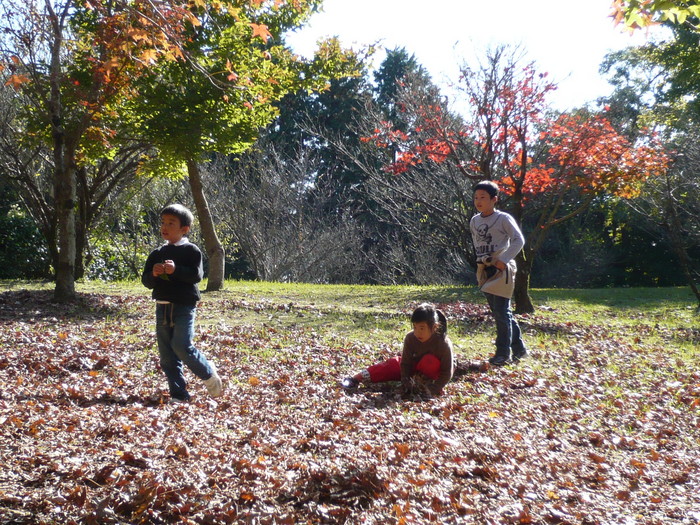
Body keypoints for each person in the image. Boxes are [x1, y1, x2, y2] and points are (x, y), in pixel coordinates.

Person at [142, 204, 222, 403]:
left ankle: (208, 374)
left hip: (183, 307)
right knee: (167, 356)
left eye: (171, 223)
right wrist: (154, 273)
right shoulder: (157, 253)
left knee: (181, 345)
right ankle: (179, 395)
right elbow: (146, 281)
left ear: (184, 229)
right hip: (162, 306)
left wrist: (175, 270)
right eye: (163, 222)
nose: (165, 227)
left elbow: (196, 275)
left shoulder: (191, 251)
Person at [470, 180, 528, 366]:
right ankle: (520, 349)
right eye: (476, 197)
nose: (479, 201)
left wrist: (503, 260)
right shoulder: (474, 220)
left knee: (502, 312)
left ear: (494, 199)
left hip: (502, 269)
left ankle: (503, 353)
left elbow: (519, 240)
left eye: (483, 197)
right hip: (485, 269)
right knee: (500, 312)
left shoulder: (503, 218)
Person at [341, 303, 454, 397]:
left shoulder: (443, 344)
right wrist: (405, 381)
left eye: (422, 328)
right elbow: (405, 363)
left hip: (431, 374)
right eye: (414, 327)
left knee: (430, 361)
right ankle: (356, 378)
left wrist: (433, 389)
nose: (417, 332)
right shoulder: (410, 338)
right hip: (413, 368)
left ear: (434, 327)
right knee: (392, 364)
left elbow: (447, 372)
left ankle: (424, 386)